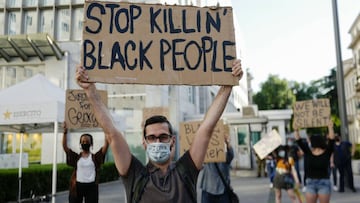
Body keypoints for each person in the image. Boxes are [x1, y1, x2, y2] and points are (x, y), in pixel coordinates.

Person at [75, 60, 243, 202]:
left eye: (163, 137)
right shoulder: (134, 173)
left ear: (173, 141)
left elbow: (206, 129)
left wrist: (227, 86)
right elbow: (112, 133)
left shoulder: (186, 169)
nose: (157, 142)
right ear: (144, 142)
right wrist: (90, 90)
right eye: (152, 137)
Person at [62, 122, 109, 203]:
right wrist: (65, 133)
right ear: (80, 144)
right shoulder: (77, 157)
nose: (85, 143)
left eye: (87, 141)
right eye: (83, 141)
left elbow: (105, 146)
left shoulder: (95, 157)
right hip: (77, 186)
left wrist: (105, 131)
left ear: (91, 144)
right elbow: (65, 147)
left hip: (91, 187)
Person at [294, 121, 335, 203]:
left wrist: (330, 127)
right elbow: (298, 141)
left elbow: (331, 140)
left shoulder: (327, 152)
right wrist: (296, 130)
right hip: (310, 183)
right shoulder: (308, 152)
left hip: (324, 183)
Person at [199, 134, 234, 203]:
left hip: (222, 191)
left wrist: (228, 143)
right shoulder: (206, 156)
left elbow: (231, 155)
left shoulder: (225, 156)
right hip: (208, 190)